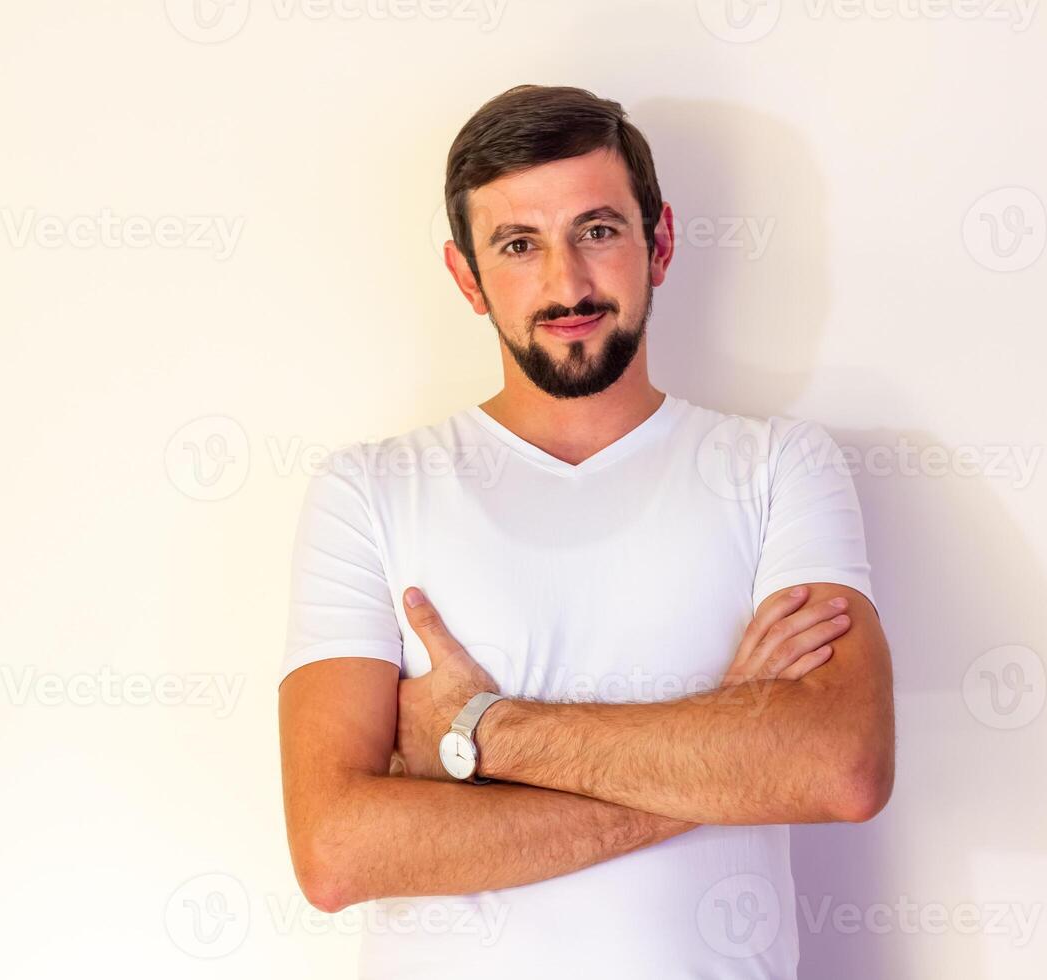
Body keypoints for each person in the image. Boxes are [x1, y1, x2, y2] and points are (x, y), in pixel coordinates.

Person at [277, 83, 894, 979]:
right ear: (467, 276)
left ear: (661, 241)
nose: (565, 283)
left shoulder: (777, 468)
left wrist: (479, 733)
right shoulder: (368, 490)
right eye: (519, 244)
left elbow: (840, 767)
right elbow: (336, 853)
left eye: (598, 231)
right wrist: (725, 757)